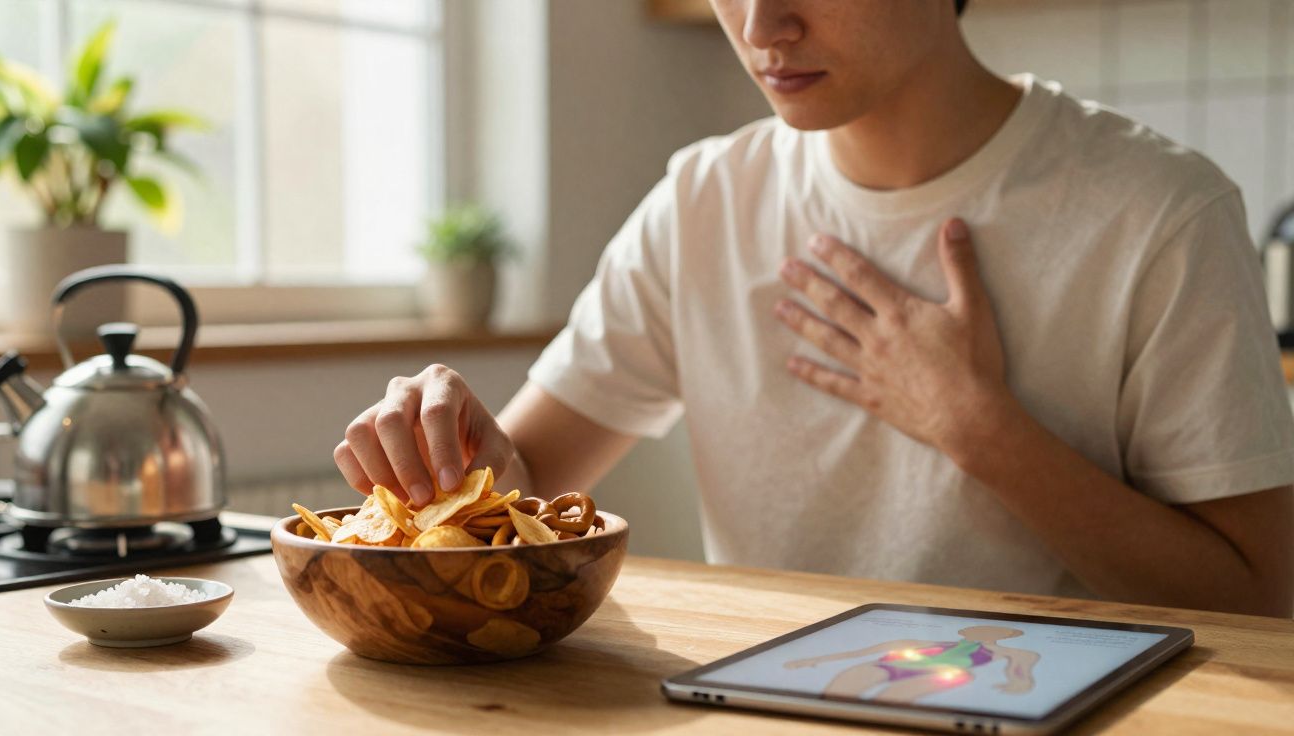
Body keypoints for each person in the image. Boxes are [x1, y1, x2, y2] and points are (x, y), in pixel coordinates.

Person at [334, 0, 1294, 616]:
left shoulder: (1161, 212)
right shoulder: (704, 198)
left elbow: (1260, 601)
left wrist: (981, 433)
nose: (760, 25)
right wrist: (452, 449)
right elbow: (533, 473)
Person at [784, 625, 1040, 702]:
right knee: (836, 700)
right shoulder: (915, 640)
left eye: (992, 630)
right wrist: (816, 658)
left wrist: (1019, 683)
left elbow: (1020, 670)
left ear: (1007, 636)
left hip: (937, 674)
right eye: (976, 627)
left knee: (889, 705)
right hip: (886, 666)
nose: (981, 631)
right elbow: (863, 652)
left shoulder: (1015, 654)